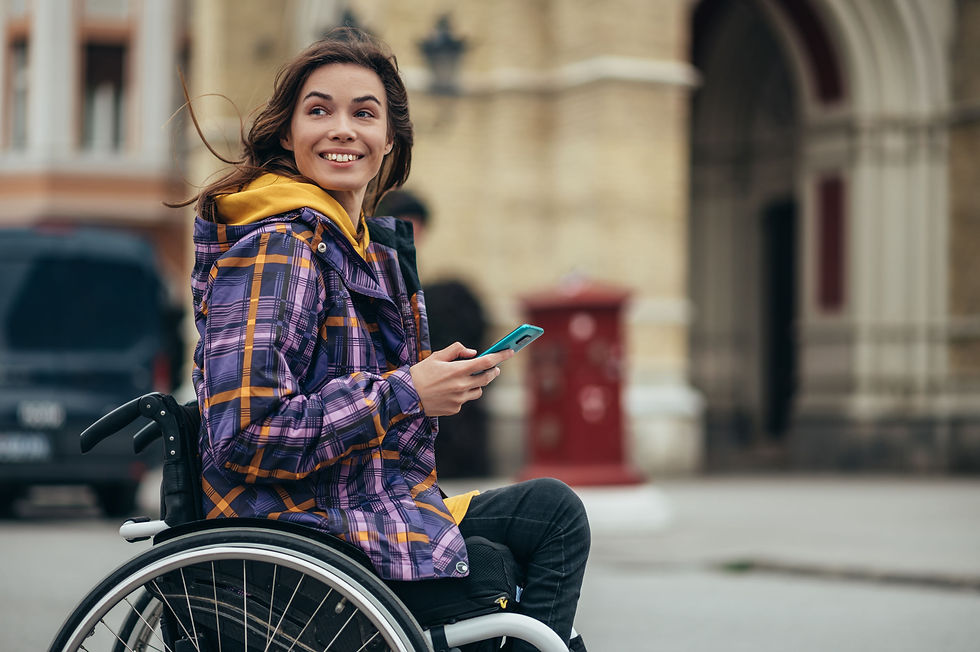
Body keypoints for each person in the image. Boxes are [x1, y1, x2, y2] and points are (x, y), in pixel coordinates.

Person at [182, 27, 589, 651]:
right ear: (288, 134)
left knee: (553, 512)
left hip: (360, 508)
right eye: (320, 111)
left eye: (364, 113)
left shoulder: (362, 249)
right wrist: (406, 393)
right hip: (303, 537)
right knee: (497, 575)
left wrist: (433, 381)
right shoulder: (278, 248)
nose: (342, 129)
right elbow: (245, 433)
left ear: (389, 138)